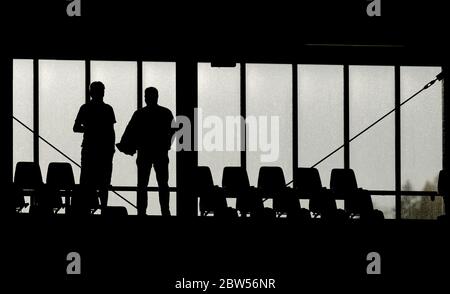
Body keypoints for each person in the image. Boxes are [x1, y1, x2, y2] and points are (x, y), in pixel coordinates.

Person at [117, 87, 175, 216]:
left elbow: (129, 132)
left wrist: (128, 146)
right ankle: (165, 211)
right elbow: (173, 130)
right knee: (163, 184)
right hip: (160, 152)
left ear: (146, 97)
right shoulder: (165, 113)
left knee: (142, 184)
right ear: (157, 97)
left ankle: (141, 212)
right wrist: (167, 144)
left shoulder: (140, 114)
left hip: (144, 152)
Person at [73, 81, 116, 209]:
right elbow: (111, 131)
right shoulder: (107, 109)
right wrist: (111, 148)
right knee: (104, 182)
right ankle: (103, 207)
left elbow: (76, 128)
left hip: (89, 149)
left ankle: (86, 207)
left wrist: (88, 129)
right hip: (104, 150)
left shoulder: (85, 108)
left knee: (87, 180)